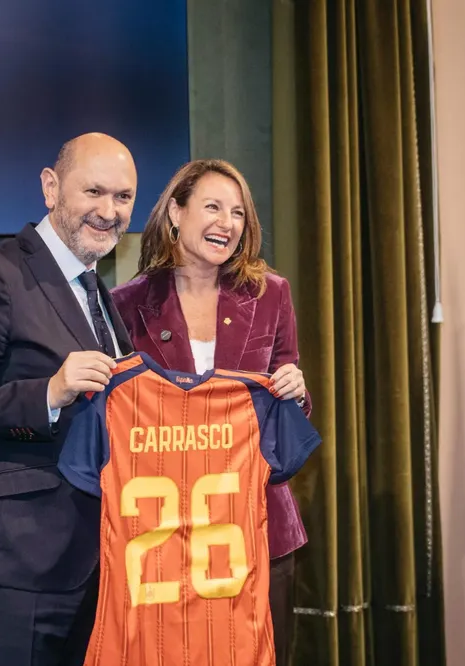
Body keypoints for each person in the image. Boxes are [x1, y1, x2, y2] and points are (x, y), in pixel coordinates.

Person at [0, 132, 137, 666]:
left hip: (94, 560)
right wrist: (49, 392)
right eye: (94, 191)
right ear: (51, 187)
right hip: (13, 558)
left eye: (123, 197)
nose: (109, 211)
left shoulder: (98, 292)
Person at [110, 158, 312, 663]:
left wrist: (295, 391)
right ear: (176, 213)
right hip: (163, 540)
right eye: (214, 207)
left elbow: (291, 416)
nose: (228, 223)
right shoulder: (126, 304)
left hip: (261, 529)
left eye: (238, 213)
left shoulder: (271, 295)